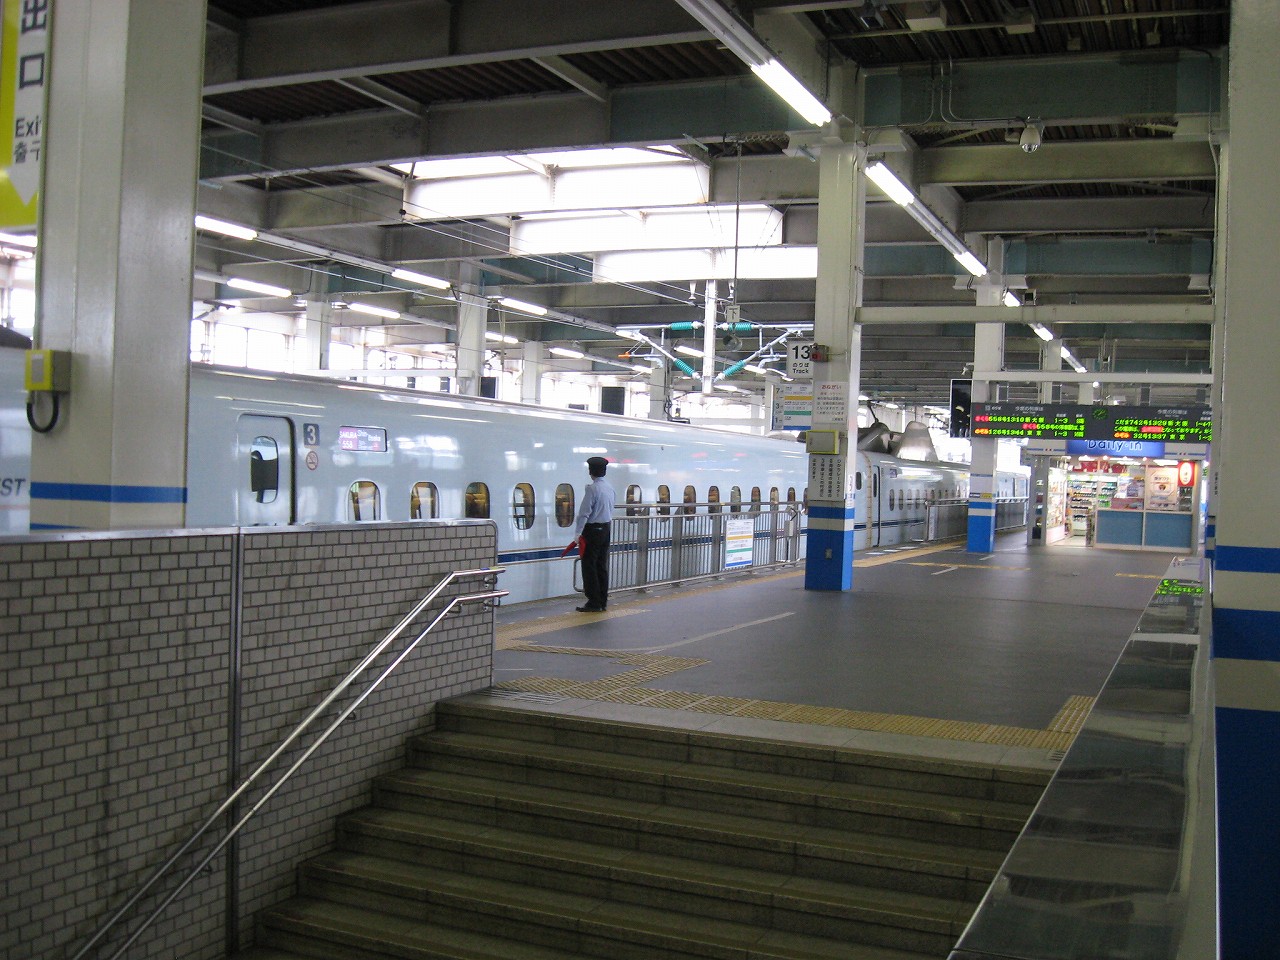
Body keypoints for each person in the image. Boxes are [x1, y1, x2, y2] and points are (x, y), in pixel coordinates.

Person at [572, 455, 616, 612]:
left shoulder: (592, 489)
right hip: (606, 529)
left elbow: (584, 513)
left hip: (592, 531)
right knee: (601, 565)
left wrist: (578, 534)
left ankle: (593, 602)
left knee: (589, 566)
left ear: (591, 471)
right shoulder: (610, 488)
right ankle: (602, 601)